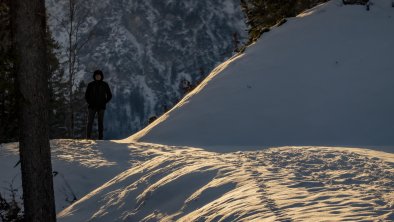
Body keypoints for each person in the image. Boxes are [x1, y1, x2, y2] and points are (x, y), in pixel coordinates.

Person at [85, 70, 112, 139]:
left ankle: (100, 138)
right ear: (94, 76)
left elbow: (109, 95)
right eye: (96, 75)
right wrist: (90, 102)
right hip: (91, 107)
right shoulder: (90, 85)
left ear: (101, 76)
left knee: (100, 123)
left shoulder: (105, 84)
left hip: (101, 107)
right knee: (89, 122)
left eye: (99, 75)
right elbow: (86, 96)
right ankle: (88, 137)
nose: (97, 77)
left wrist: (104, 102)